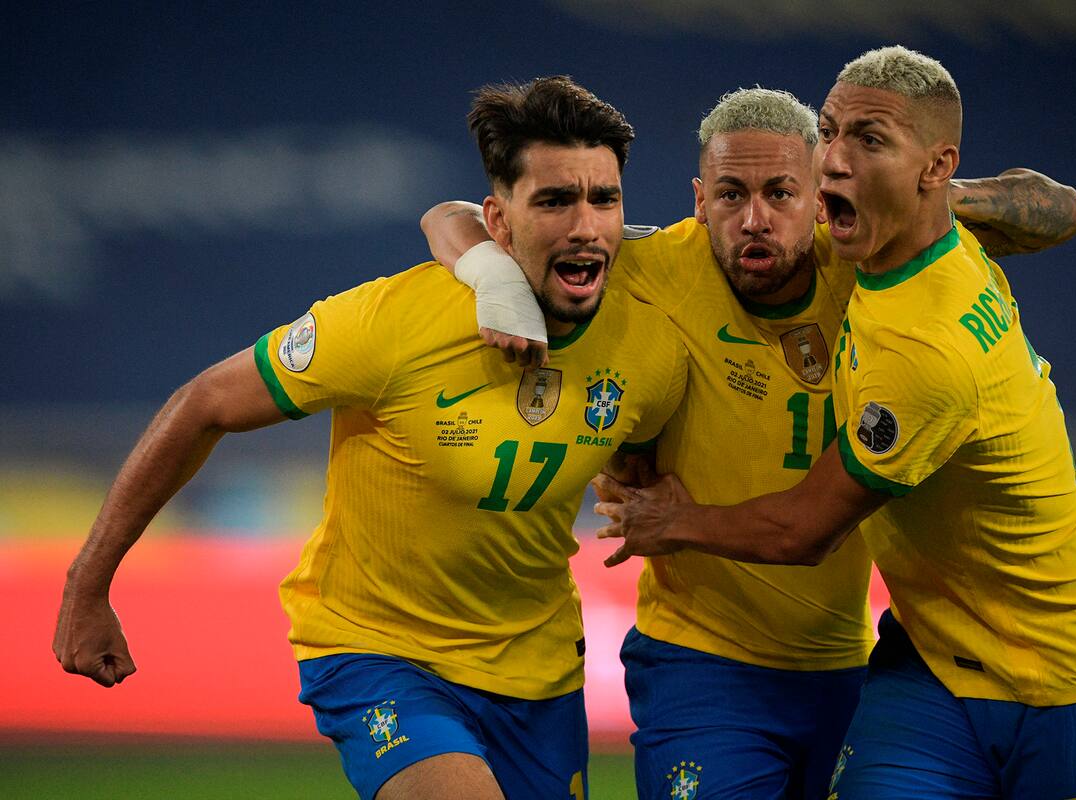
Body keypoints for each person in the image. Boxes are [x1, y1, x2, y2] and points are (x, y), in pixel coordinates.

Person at [422, 88, 1076, 798]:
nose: (754, 220)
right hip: (700, 665)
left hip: (844, 665)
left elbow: (1063, 210)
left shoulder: (868, 251)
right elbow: (451, 216)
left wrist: (921, 194)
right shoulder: (655, 266)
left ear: (821, 194)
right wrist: (492, 276)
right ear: (700, 200)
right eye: (731, 195)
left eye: (781, 193)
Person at [52, 76, 688, 800]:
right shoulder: (394, 323)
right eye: (553, 201)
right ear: (498, 219)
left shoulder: (653, 321)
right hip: (381, 651)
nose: (585, 225)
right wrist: (88, 585)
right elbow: (204, 405)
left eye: (604, 199)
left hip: (538, 669)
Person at [592, 47, 1076, 799]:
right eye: (831, 134)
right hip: (921, 654)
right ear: (702, 200)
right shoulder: (889, 240)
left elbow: (804, 530)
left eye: (868, 141)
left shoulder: (918, 345)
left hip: (1066, 658)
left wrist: (674, 520)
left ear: (932, 167)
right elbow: (1061, 205)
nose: (834, 161)